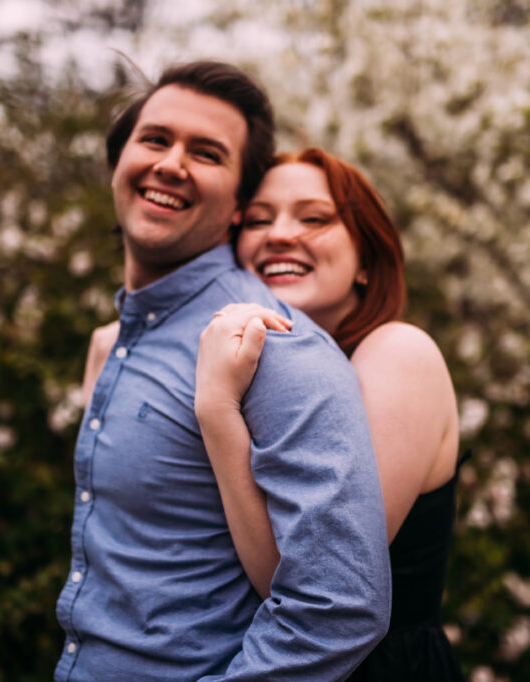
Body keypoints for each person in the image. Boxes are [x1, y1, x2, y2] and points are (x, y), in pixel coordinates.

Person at [55, 62, 391, 682]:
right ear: (119, 161)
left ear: (239, 204)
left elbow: (338, 607)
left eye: (206, 153)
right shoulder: (116, 340)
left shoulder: (271, 343)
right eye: (155, 139)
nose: (171, 164)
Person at [195, 148, 466, 681]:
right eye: (258, 220)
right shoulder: (255, 369)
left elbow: (309, 585)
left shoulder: (398, 353)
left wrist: (217, 413)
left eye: (314, 218)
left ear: (366, 260)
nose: (279, 234)